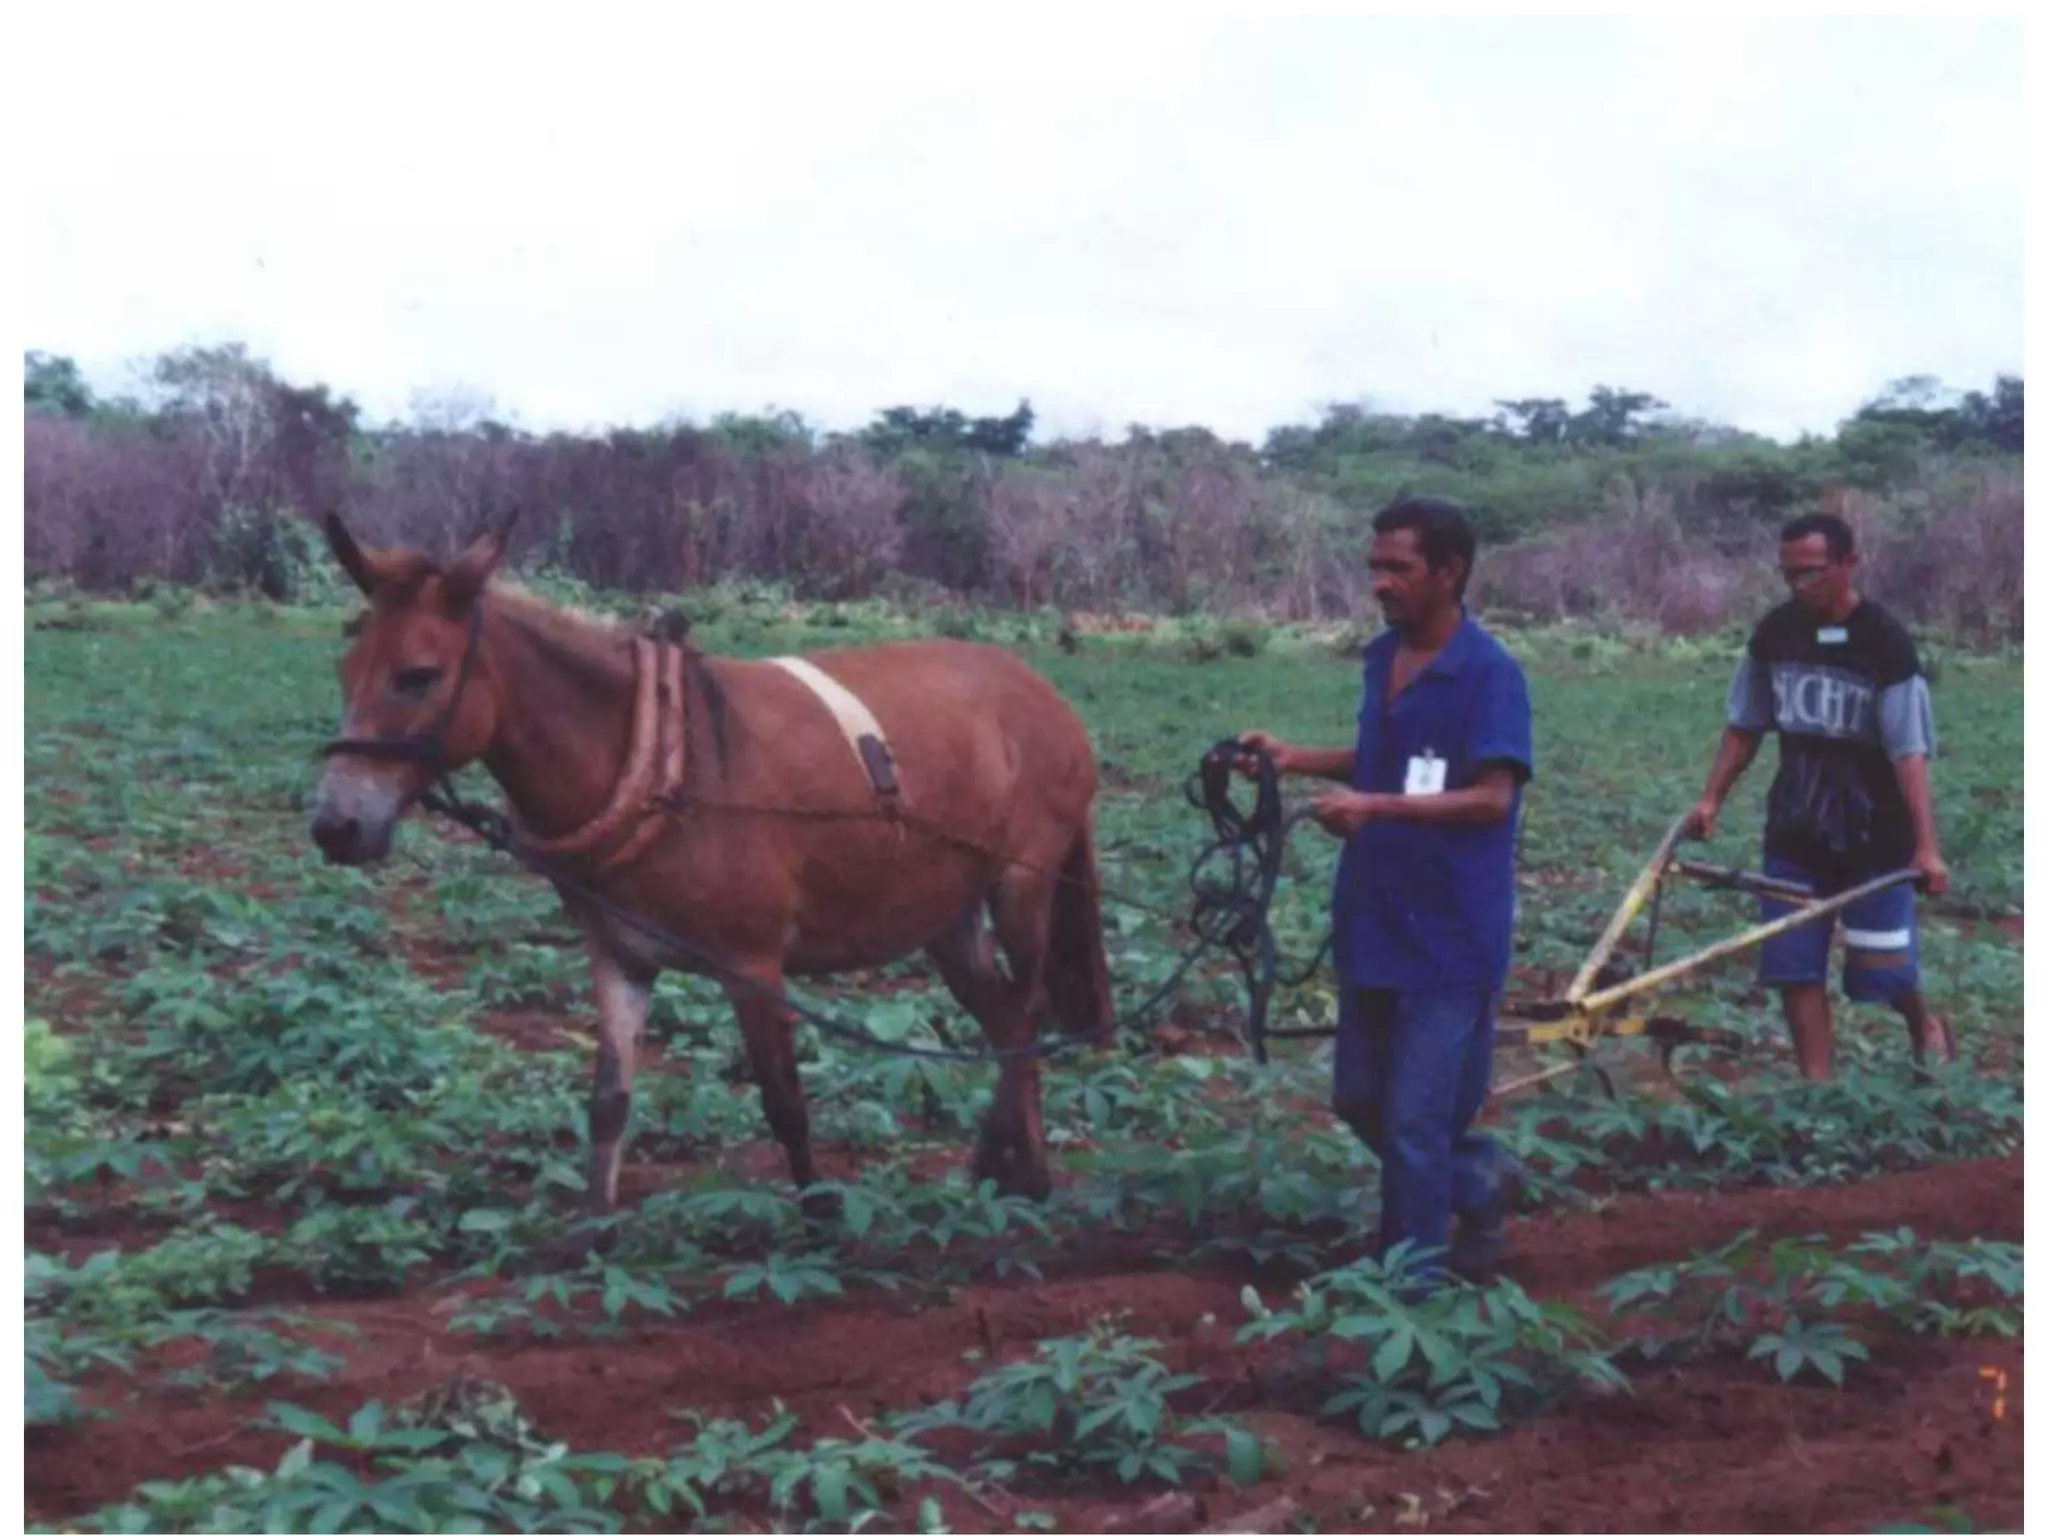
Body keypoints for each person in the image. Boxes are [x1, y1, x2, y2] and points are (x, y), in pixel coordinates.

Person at [1240, 494, 1532, 1287]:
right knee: (1360, 1098)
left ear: (1450, 572)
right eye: (1376, 567)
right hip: (1374, 915)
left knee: (1413, 1120)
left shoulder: (1488, 674)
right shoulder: (1383, 658)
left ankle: (1408, 1285)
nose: (1381, 583)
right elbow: (1383, 758)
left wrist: (1375, 807)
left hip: (1450, 931)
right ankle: (1476, 1180)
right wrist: (1298, 759)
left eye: (1399, 568)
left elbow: (1493, 797)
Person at [1684, 510, 1955, 1080]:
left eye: (1812, 572)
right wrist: (1711, 798)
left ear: (1849, 563)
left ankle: (1922, 1023)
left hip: (1874, 834)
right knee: (1793, 965)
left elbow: (1910, 751)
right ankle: (1818, 1087)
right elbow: (1745, 724)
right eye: (1789, 575)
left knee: (1881, 973)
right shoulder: (1776, 633)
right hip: (1797, 827)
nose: (1799, 586)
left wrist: (1926, 848)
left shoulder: (1885, 643)